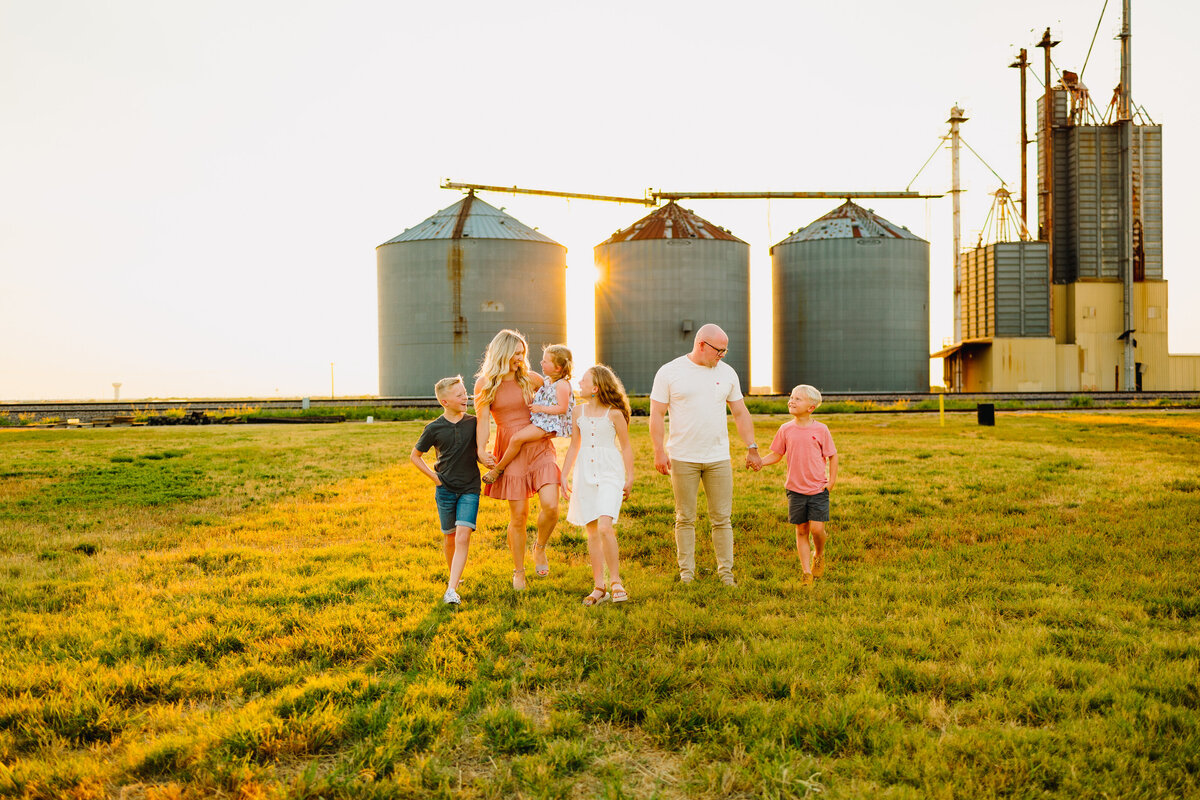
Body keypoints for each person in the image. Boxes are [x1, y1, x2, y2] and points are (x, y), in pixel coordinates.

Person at [649, 323, 762, 587]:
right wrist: (658, 450)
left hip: (718, 458)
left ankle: (726, 574)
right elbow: (656, 414)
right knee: (685, 518)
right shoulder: (670, 371)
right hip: (682, 457)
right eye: (718, 350)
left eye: (725, 351)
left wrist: (752, 446)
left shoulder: (728, 373)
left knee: (722, 519)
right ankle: (686, 574)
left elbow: (740, 413)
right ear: (701, 344)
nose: (722, 355)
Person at [474, 329, 561, 590]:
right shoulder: (485, 384)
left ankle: (540, 547)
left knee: (551, 506)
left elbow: (558, 402)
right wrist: (481, 450)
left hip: (539, 447)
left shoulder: (531, 379)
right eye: (516, 354)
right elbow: (482, 422)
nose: (521, 358)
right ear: (502, 353)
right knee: (519, 517)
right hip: (509, 452)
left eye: (523, 354)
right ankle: (519, 571)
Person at [560, 365, 634, 606]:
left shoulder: (614, 414)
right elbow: (574, 445)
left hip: (610, 472)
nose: (578, 384)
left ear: (595, 388)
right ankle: (599, 586)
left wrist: (630, 476)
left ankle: (616, 582)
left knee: (604, 527)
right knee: (591, 531)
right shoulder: (578, 411)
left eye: (583, 381)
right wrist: (564, 475)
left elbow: (626, 446)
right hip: (585, 473)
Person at [409, 375, 482, 605]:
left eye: (465, 393)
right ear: (445, 402)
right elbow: (415, 456)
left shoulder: (474, 422)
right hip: (445, 491)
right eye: (459, 395)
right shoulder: (433, 428)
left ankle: (451, 590)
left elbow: (483, 447)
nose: (465, 397)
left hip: (470, 488)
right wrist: (434, 478)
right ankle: (455, 579)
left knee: (462, 536)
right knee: (450, 537)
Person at [759, 384, 839, 587]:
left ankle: (819, 554)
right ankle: (806, 572)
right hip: (795, 490)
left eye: (798, 399)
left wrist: (831, 481)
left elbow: (832, 455)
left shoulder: (821, 429)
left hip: (818, 489)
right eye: (791, 397)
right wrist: (760, 461)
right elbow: (777, 454)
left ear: (811, 407)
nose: (791, 401)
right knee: (801, 530)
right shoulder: (785, 429)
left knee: (817, 530)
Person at [482, 344, 574, 485]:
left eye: (545, 361)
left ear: (558, 368)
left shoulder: (562, 384)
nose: (541, 363)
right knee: (517, 440)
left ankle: (498, 469)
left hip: (546, 425)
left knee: (516, 439)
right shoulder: (548, 381)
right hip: (543, 422)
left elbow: (562, 408)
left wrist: (540, 408)